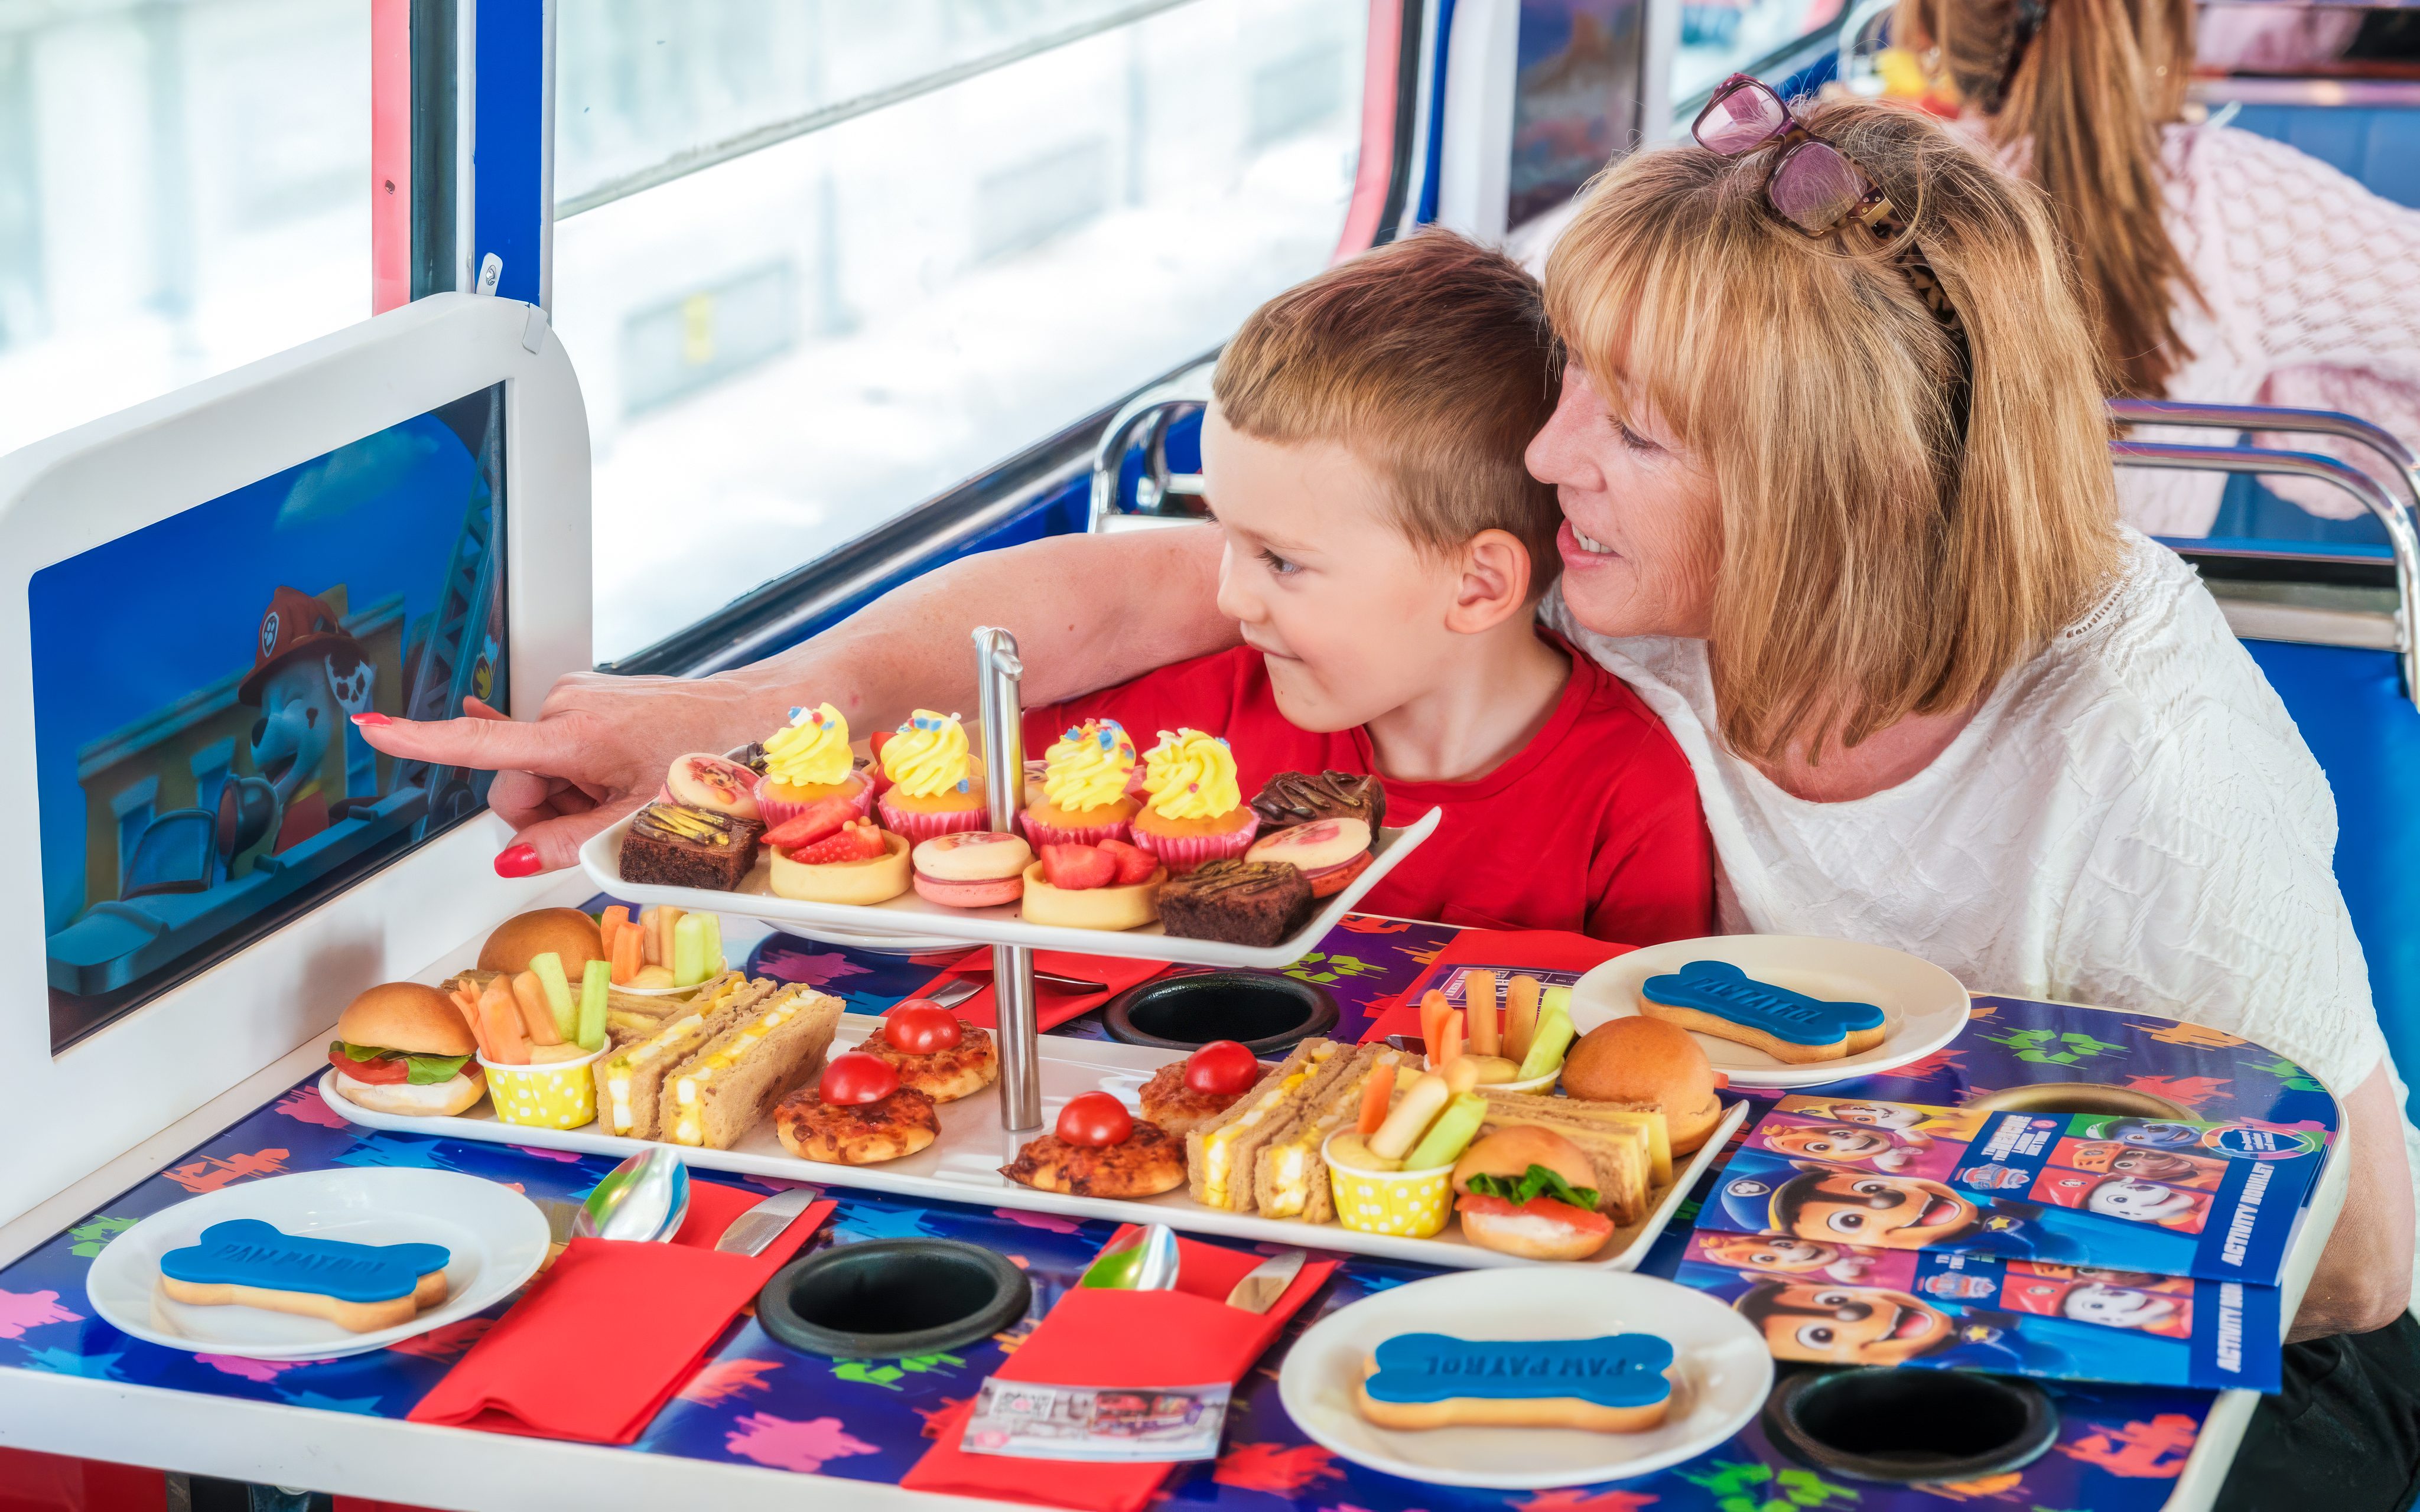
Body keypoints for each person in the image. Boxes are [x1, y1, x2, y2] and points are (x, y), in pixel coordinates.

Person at [356, 97, 2419, 1506]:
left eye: (1625, 423)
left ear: (1825, 489)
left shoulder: (2143, 753)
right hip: (1775, 1233)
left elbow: (2337, 1258)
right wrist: (725, 716)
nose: (1545, 452)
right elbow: (1131, 583)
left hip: (2241, 1343)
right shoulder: (1635, 594)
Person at [1017, 230, 1712, 941]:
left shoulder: (1631, 794)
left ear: (1477, 585)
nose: (1230, 599)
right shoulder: (1190, 733)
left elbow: (1644, 1030)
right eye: (1228, 538)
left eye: (1281, 561)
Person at [1893, 0, 2420, 539]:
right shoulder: (2223, 197)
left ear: (1940, 24)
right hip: (2154, 615)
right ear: (2163, 22)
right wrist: (2299, 396)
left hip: (1886, 621)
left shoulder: (1875, 188)